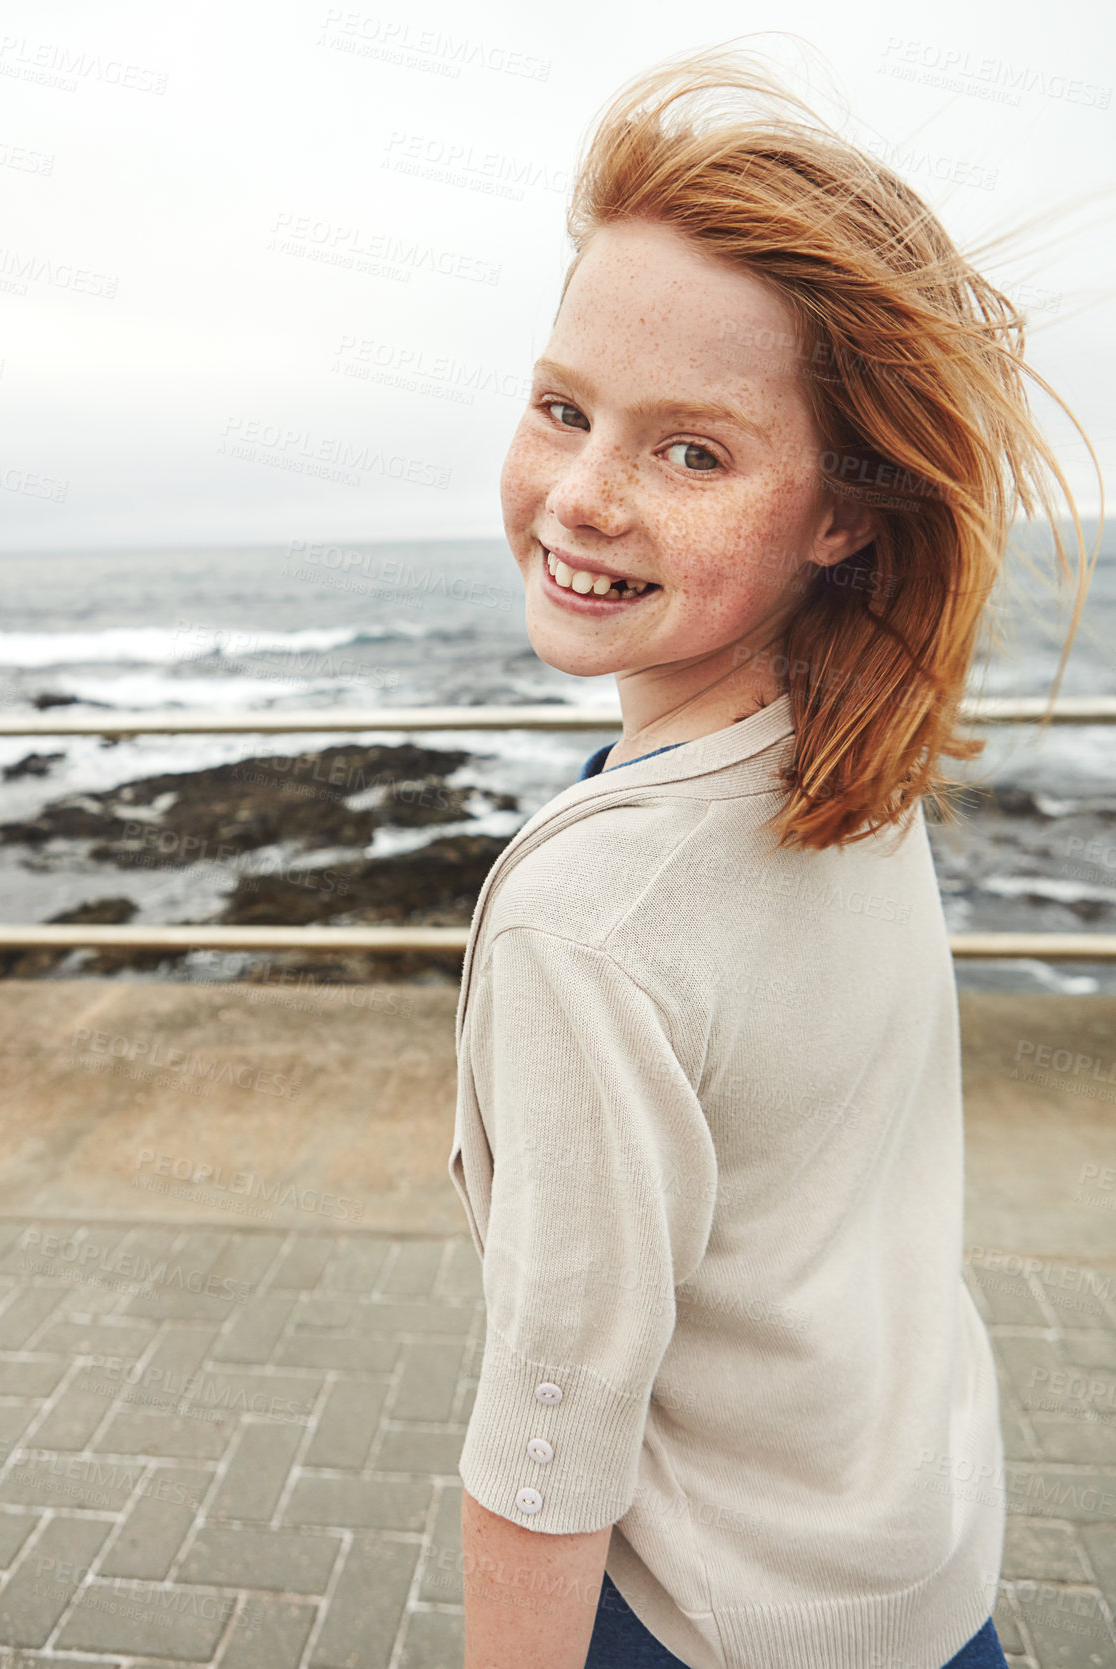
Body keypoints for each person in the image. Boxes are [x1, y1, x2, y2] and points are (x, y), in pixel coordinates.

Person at [447, 43, 1093, 1669]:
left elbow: (550, 1423)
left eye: (691, 451)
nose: (579, 497)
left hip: (709, 1621)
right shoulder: (851, 748)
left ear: (841, 514)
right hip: (920, 1575)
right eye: (562, 407)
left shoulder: (589, 914)